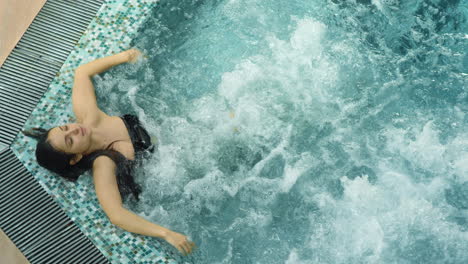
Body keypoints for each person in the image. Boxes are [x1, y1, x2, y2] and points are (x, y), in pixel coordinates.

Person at [22, 49, 196, 256]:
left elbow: (82, 72)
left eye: (65, 128)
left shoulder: (89, 117)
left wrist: (125, 57)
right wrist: (166, 234)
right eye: (70, 140)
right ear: (76, 157)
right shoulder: (103, 162)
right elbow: (116, 214)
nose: (74, 129)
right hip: (172, 160)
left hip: (173, 131)